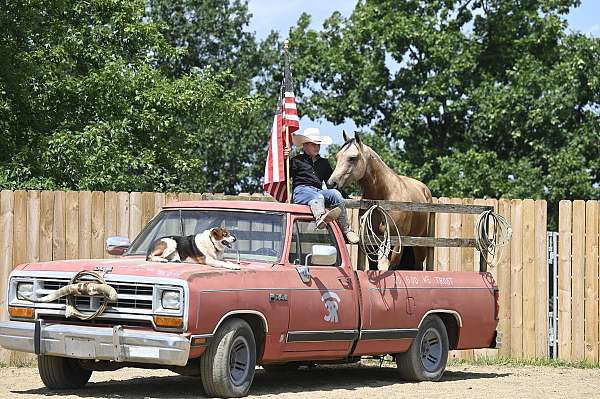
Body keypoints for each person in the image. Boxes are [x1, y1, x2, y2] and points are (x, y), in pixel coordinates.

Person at [283, 127, 360, 244]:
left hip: (318, 191)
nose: (317, 147)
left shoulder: (324, 163)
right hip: (301, 191)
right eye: (314, 144)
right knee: (319, 198)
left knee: (335, 194)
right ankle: (320, 219)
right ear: (305, 145)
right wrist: (285, 160)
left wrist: (346, 197)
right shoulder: (296, 160)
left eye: (318, 144)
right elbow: (285, 175)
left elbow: (331, 184)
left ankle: (347, 230)